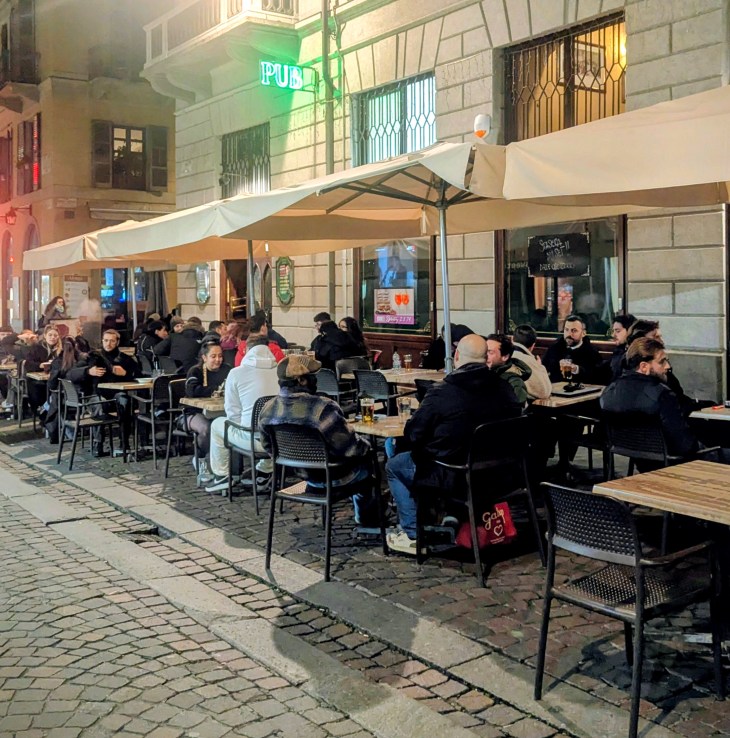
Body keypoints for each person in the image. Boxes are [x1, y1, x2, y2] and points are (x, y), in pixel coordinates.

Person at [385, 334, 522, 555]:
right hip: (503, 474)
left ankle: (412, 535)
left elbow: (414, 433)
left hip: (457, 476)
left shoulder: (443, 391)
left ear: (456, 355)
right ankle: (448, 516)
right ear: (485, 358)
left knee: (395, 465)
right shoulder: (505, 388)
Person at [258, 354, 376, 525]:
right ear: (301, 380)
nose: (316, 380)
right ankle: (368, 518)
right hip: (336, 477)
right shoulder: (322, 407)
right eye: (313, 376)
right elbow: (350, 448)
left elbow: (269, 448)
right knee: (369, 462)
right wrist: (368, 445)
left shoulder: (267, 409)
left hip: (305, 476)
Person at [600, 337, 699, 465]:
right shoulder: (662, 395)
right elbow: (685, 446)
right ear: (644, 366)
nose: (668, 366)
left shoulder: (608, 393)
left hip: (639, 460)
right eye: (662, 362)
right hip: (673, 462)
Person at [204, 343, 280, 493]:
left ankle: (221, 476)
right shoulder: (280, 372)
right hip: (280, 440)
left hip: (253, 440)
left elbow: (232, 413)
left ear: (246, 351)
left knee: (217, 424)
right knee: (266, 425)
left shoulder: (236, 373)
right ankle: (264, 471)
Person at [66, 329, 141, 456]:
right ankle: (98, 443)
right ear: (102, 341)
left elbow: (139, 375)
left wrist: (126, 373)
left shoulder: (124, 358)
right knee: (99, 404)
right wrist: (88, 371)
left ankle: (124, 443)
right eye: (106, 340)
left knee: (125, 401)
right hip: (95, 395)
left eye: (112, 341)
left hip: (115, 395)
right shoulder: (93, 356)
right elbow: (71, 374)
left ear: (117, 342)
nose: (108, 344)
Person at [184, 342, 232, 483]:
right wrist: (215, 390)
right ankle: (201, 458)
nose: (218, 360)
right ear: (204, 358)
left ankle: (231, 467)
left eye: (220, 356)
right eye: (213, 356)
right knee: (207, 428)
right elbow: (191, 391)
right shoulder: (195, 371)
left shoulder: (227, 369)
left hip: (219, 411)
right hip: (194, 412)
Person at [43, 337, 83, 443]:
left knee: (48, 404)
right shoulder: (82, 360)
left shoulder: (57, 362)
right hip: (82, 398)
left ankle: (65, 431)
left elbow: (51, 385)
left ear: (60, 347)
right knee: (50, 404)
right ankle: (69, 431)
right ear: (76, 346)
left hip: (64, 399)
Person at [543, 315, 601, 383]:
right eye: (566, 330)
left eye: (574, 330)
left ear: (583, 333)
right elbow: (545, 370)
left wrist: (576, 369)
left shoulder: (591, 352)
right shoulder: (554, 348)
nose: (569, 334)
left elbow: (596, 376)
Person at [25, 325, 63, 413]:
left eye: (55, 335)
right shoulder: (37, 347)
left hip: (54, 378)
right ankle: (41, 409)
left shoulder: (61, 349)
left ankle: (52, 410)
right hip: (36, 379)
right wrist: (40, 365)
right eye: (50, 335)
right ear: (45, 336)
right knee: (40, 386)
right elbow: (28, 364)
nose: (53, 337)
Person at [486, 333, 531, 405]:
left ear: (505, 357)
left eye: (490, 352)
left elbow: (517, 408)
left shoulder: (514, 382)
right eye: (484, 351)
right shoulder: (481, 372)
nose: (485, 355)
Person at [511, 324, 551, 401]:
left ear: (512, 339)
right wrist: (539, 367)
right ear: (533, 345)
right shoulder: (529, 361)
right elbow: (544, 392)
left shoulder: (503, 354)